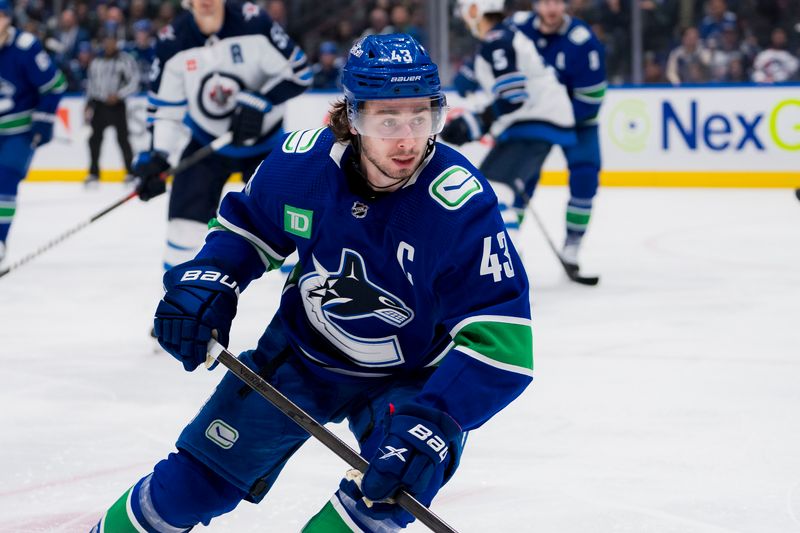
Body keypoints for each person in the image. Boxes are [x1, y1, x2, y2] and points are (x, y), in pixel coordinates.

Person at [92, 33, 533, 532]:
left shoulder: (460, 206)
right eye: (387, 120)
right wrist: (210, 278)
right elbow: (249, 227)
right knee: (193, 483)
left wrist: (435, 423)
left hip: (410, 378)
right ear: (352, 117)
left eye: (421, 117)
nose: (407, 140)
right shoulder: (303, 165)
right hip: (301, 356)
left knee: (388, 494)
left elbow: (504, 343)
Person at [132, 0, 311, 272]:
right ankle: (179, 304)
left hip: (267, 145)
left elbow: (300, 74)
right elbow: (166, 109)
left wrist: (262, 100)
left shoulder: (255, 22)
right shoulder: (172, 40)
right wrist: (158, 156)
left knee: (299, 232)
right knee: (182, 230)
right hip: (207, 143)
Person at [440, 0, 575, 256]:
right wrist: (476, 123)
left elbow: (513, 96)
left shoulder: (497, 40)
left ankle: (506, 265)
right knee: (487, 189)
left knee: (493, 191)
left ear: (474, 9)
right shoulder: (501, 38)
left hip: (533, 124)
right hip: (532, 125)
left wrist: (476, 122)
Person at [513, 0, 607, 269]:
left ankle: (573, 243)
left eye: (556, 2)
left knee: (585, 176)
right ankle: (507, 242)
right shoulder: (518, 29)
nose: (551, 9)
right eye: (545, 2)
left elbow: (592, 99)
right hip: (534, 117)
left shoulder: (583, 40)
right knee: (517, 181)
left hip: (578, 121)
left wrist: (556, 118)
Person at [0, 0, 66, 263]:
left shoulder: (25, 48)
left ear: (8, 19)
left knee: (4, 180)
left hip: (19, 130)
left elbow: (55, 85)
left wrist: (44, 120)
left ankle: (0, 241)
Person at [84, 24, 140, 185]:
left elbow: (134, 82)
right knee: (94, 140)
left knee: (123, 139)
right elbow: (91, 84)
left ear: (116, 42)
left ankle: (130, 171)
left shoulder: (125, 60)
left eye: (111, 40)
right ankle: (94, 172)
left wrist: (119, 95)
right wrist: (88, 104)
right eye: (106, 40)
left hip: (117, 106)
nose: (109, 44)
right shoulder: (96, 61)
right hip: (99, 105)